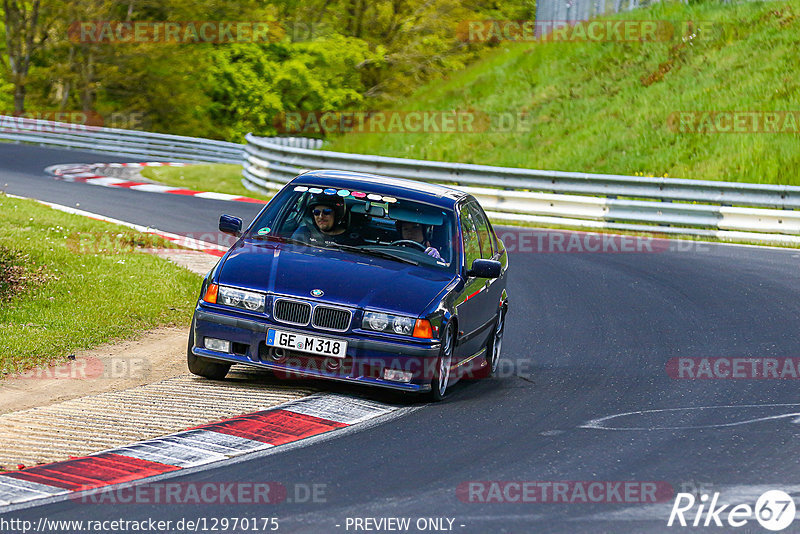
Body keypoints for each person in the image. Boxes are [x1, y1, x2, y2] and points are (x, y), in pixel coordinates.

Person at [293, 195, 363, 246]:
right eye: (316, 212)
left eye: (327, 212)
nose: (321, 216)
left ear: (337, 215)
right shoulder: (303, 233)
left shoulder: (352, 240)